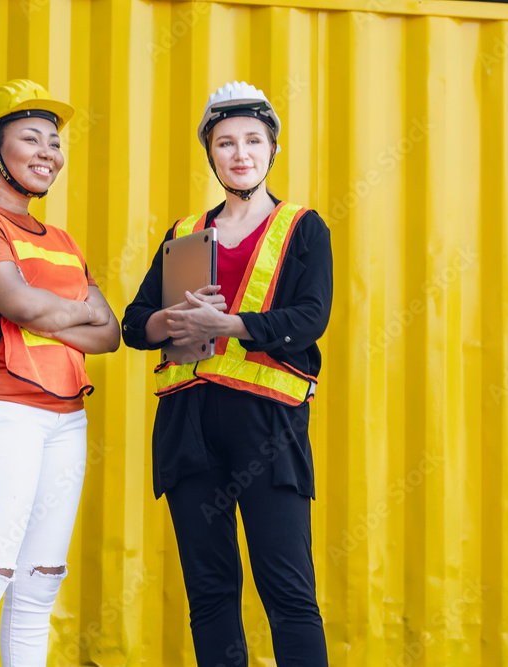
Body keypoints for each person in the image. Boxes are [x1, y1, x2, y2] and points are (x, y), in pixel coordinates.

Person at [122, 81, 332, 665]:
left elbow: (310, 318)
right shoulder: (185, 232)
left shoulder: (304, 228)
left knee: (287, 591)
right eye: (225, 143)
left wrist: (228, 324)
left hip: (268, 427)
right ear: (210, 154)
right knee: (210, 591)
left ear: (273, 150)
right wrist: (172, 320)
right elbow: (134, 325)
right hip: (189, 426)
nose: (240, 153)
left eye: (252, 141)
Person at [0, 78, 120, 666]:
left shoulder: (61, 239)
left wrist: (48, 315)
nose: (49, 153)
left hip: (66, 420)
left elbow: (110, 334)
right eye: (31, 138)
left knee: (38, 587)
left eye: (55, 142)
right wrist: (72, 313)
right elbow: (21, 306)